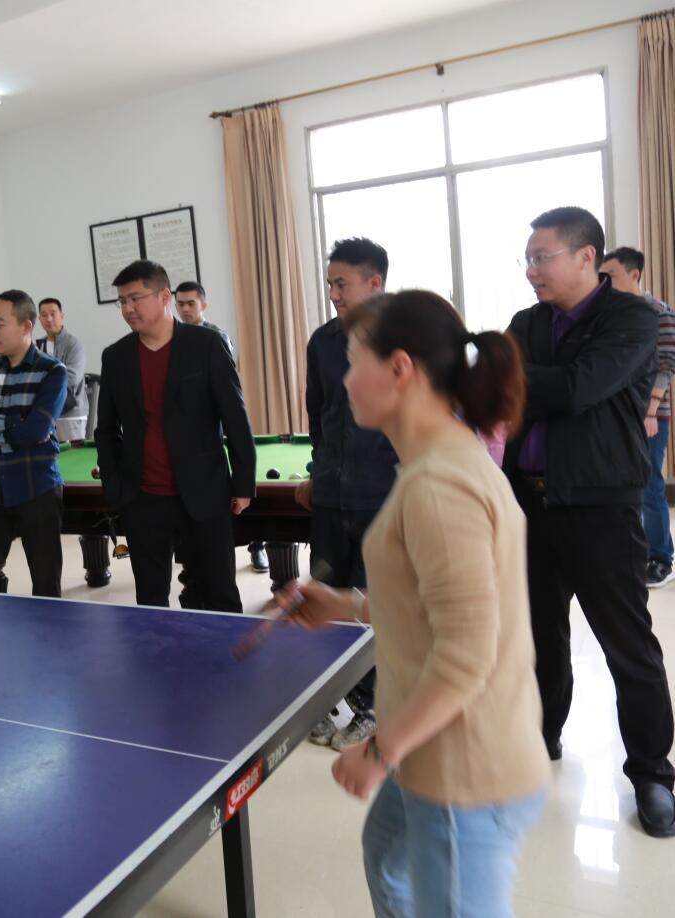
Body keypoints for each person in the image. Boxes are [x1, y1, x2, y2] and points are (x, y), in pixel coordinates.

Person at [275, 289, 549, 915]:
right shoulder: (434, 463)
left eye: (353, 363)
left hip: (463, 769)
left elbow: (464, 656)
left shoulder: (439, 486)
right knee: (386, 855)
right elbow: (428, 602)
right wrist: (342, 604)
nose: (343, 380)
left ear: (399, 369)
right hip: (431, 742)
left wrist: (379, 750)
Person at [505, 207, 675, 837]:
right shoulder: (527, 323)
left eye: (541, 257)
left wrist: (519, 381)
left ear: (585, 257)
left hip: (601, 506)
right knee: (538, 636)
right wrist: (520, 383)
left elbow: (580, 388)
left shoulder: (633, 318)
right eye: (527, 259)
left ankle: (653, 774)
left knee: (627, 645)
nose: (531, 270)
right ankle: (540, 737)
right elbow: (499, 390)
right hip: (529, 504)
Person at [95, 260, 255, 612]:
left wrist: (243, 482)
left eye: (135, 298)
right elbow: (106, 430)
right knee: (150, 599)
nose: (127, 308)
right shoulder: (116, 357)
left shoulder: (207, 344)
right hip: (142, 498)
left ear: (164, 296)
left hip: (203, 492)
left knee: (219, 593)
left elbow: (234, 416)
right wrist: (113, 484)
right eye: (122, 301)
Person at [299, 237, 398, 752]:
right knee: (325, 597)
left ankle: (373, 707)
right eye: (330, 283)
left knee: (372, 605)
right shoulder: (322, 342)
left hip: (383, 496)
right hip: (332, 496)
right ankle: (329, 697)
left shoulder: (403, 337)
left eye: (342, 283)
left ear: (374, 282)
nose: (333, 293)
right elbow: (319, 416)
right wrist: (318, 473)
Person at [0, 289, 68, 597]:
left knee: (46, 585)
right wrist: (14, 422)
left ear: (26, 326)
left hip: (38, 488)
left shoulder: (52, 371)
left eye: (0, 324)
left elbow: (36, 429)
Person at [173, 280, 262, 574]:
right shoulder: (173, 338)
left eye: (190, 304)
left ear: (203, 305)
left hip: (218, 421)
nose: (185, 309)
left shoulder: (216, 337)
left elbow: (228, 396)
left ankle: (257, 545)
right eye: (180, 304)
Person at [600, 246, 675, 587]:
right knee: (625, 485)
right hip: (621, 412)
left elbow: (666, 365)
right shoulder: (611, 315)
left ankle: (661, 559)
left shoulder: (659, 312)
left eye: (611, 276)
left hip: (650, 414)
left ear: (634, 275)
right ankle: (636, 551)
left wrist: (651, 411)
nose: (605, 283)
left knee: (649, 485)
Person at [35, 297, 90, 442]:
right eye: (44, 315)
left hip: (70, 414)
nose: (49, 319)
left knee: (72, 454)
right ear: (39, 319)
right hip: (45, 414)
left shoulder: (73, 344)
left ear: (62, 316)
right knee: (48, 454)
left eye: (53, 314)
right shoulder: (37, 347)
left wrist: (44, 385)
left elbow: (72, 378)